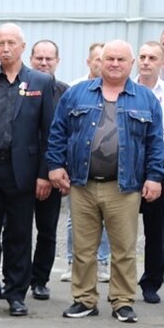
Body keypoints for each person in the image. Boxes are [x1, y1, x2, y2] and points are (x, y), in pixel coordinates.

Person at [47, 40, 164, 323]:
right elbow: (58, 132)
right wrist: (54, 166)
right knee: (84, 248)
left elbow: (155, 142)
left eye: (120, 60)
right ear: (99, 62)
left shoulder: (145, 99)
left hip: (124, 186)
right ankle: (84, 299)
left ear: (131, 63)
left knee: (124, 248)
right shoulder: (77, 94)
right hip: (82, 183)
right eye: (109, 58)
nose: (114, 64)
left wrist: (154, 177)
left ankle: (122, 301)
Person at [0, 23, 55, 317]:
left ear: (22, 47)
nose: (6, 48)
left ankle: (16, 293)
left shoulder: (41, 82)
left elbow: (48, 132)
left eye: (11, 43)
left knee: (19, 235)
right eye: (1, 43)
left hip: (24, 173)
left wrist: (45, 173)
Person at [135, 41, 164, 304]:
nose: (146, 62)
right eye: (142, 57)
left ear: (162, 62)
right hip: (128, 167)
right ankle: (120, 281)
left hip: (159, 167)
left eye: (152, 57)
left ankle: (152, 281)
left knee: (156, 230)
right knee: (122, 228)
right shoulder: (125, 89)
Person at [64, 41, 111, 283]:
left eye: (107, 59)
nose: (103, 64)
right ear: (89, 62)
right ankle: (73, 262)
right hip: (80, 168)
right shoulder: (74, 89)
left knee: (107, 218)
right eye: (98, 59)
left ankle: (102, 262)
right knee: (76, 219)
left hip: (110, 171)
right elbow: (63, 129)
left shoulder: (120, 90)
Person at [28, 39, 70, 300]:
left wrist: (54, 173)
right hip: (19, 174)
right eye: (39, 58)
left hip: (52, 173)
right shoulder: (21, 88)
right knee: (17, 231)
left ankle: (39, 280)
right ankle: (17, 277)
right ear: (31, 59)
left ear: (57, 61)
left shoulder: (65, 93)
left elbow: (67, 135)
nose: (43, 63)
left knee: (47, 230)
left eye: (49, 59)